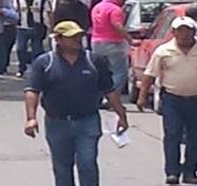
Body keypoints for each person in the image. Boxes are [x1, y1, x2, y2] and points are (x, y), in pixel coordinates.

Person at [24, 21, 129, 186]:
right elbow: (32, 91)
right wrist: (31, 118)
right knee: (62, 168)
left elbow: (109, 90)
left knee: (87, 163)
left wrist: (121, 114)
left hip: (87, 121)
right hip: (57, 122)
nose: (77, 40)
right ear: (58, 39)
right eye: (71, 37)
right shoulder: (44, 63)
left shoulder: (94, 61)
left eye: (79, 36)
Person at [138, 16, 197, 185]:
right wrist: (142, 95)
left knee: (195, 137)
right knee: (172, 135)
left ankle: (190, 171)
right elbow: (150, 74)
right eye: (179, 30)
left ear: (193, 31)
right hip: (172, 99)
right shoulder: (163, 51)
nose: (183, 34)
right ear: (173, 32)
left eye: (187, 30)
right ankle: (172, 172)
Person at [89, 0, 131, 93]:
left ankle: (99, 95)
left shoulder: (97, 7)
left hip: (96, 42)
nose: (124, 1)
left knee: (100, 70)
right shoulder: (115, 9)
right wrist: (130, 40)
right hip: (113, 43)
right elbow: (117, 26)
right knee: (120, 71)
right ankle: (112, 96)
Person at [14, 0, 45, 77]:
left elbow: (47, 12)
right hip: (22, 27)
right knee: (20, 48)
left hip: (37, 27)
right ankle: (21, 67)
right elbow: (15, 11)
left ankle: (37, 69)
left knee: (37, 50)